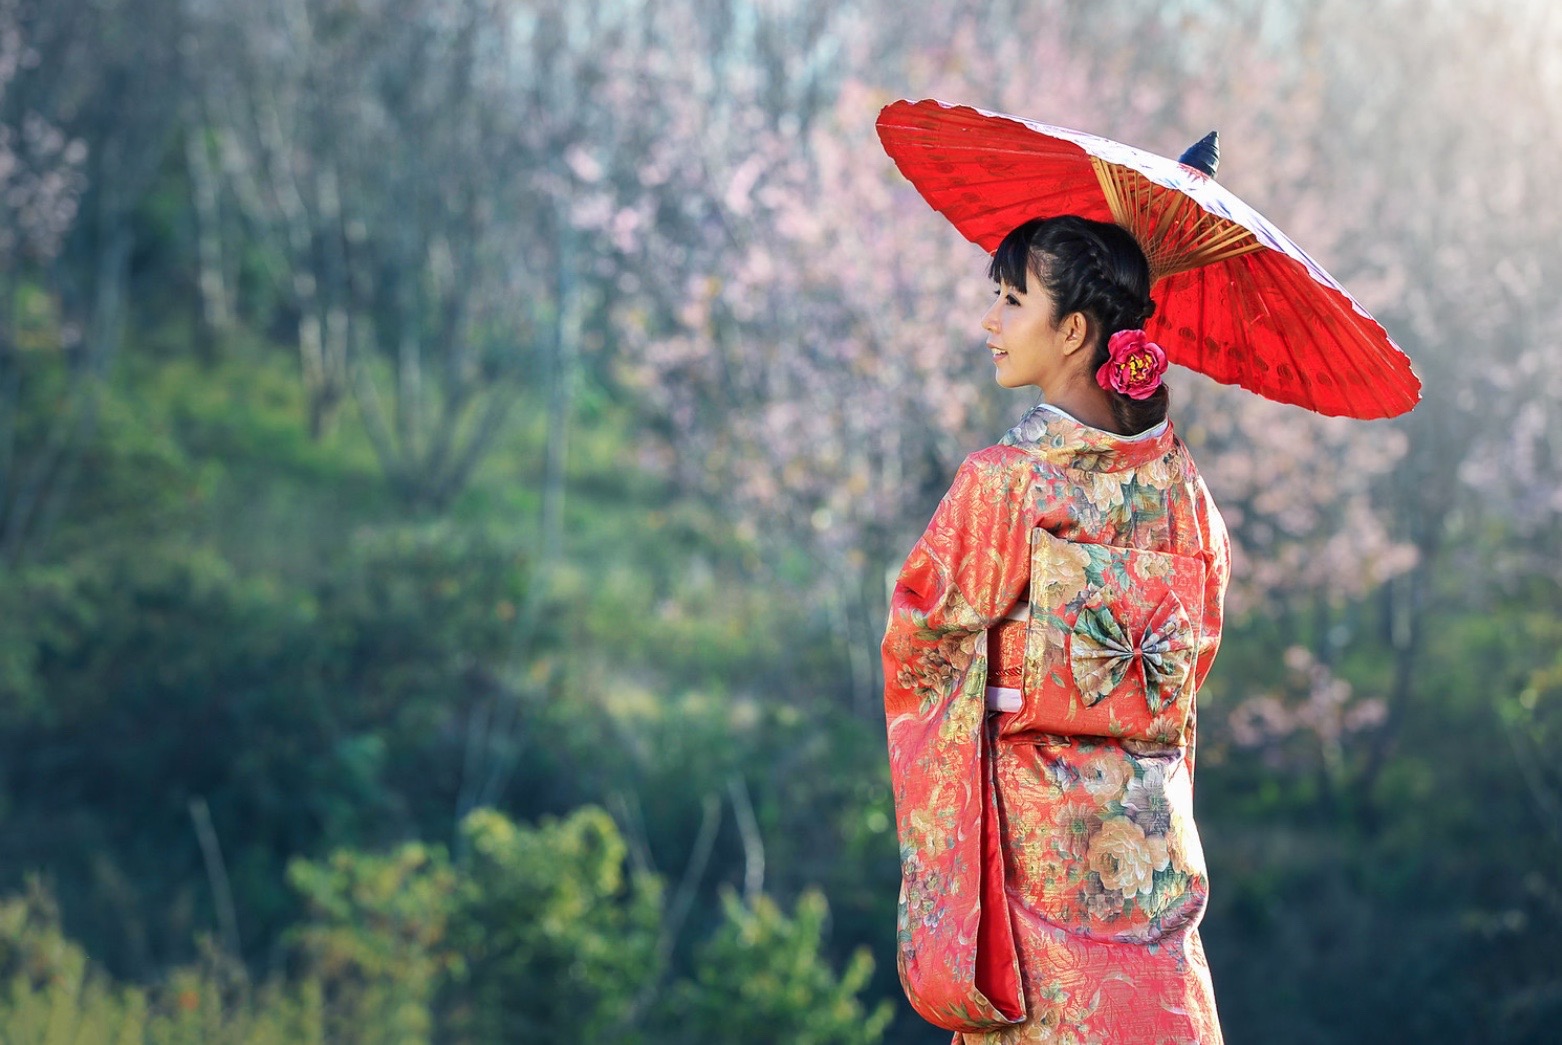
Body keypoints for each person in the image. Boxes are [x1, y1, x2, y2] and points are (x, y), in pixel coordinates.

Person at [882, 214, 1231, 1044]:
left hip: (1039, 840)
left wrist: (1003, 684)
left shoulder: (1008, 483)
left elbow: (921, 639)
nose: (990, 321)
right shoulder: (1180, 488)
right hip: (1147, 837)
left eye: (1012, 300)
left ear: (1074, 330)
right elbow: (1193, 647)